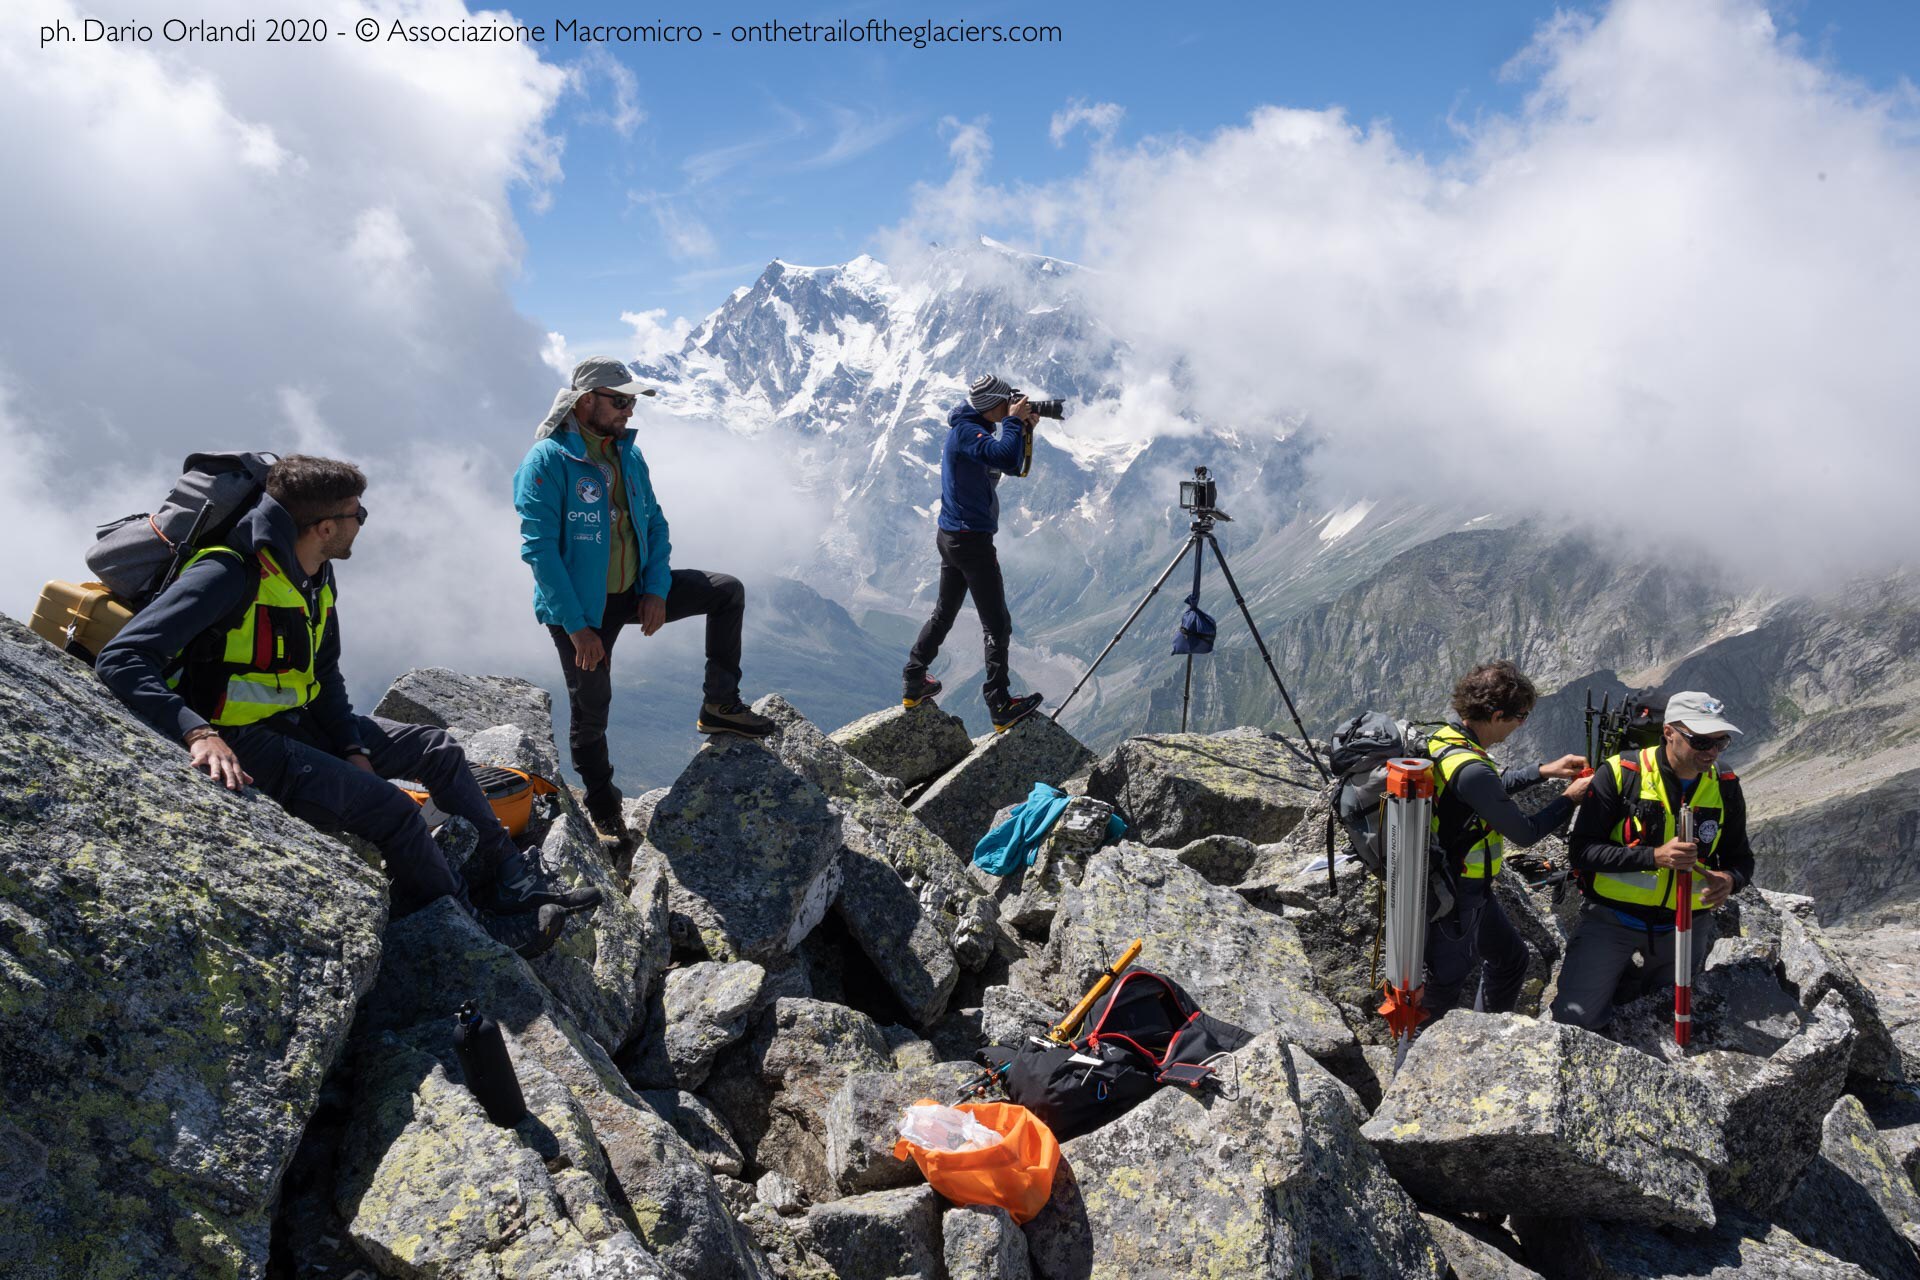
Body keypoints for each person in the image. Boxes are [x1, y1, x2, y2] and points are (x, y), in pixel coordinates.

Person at [96, 455, 597, 957]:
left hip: (298, 721)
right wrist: (198, 732)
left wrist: (353, 745)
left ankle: (511, 878)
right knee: (394, 811)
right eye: (359, 514)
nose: (363, 522)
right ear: (326, 526)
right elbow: (122, 658)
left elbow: (324, 673)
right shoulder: (227, 574)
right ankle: (472, 934)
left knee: (437, 747)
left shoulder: (311, 572)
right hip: (241, 741)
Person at [515, 357, 775, 848]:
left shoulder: (628, 455)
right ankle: (604, 809)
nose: (629, 410)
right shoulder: (547, 461)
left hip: (633, 590)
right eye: (621, 400)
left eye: (632, 401)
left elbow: (653, 524)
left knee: (725, 591)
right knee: (592, 708)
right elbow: (540, 551)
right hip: (581, 610)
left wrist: (655, 590)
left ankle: (720, 704)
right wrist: (577, 628)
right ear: (585, 400)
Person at [1551, 690, 1753, 1031]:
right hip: (1612, 918)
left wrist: (1731, 881)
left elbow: (1740, 857)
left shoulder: (1725, 784)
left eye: (1722, 743)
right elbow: (1582, 853)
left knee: (1669, 1023)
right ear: (1670, 732)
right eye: (1702, 742)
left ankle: (1628, 984)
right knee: (1574, 1023)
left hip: (1686, 925)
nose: (1713, 752)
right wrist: (1654, 856)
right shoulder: (1620, 773)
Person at [1420, 660, 1593, 1021]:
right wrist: (1570, 798)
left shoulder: (1447, 741)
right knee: (1440, 993)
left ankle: (1488, 1033)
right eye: (1522, 716)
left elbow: (1489, 788)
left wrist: (1546, 770)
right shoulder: (1472, 769)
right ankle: (1414, 1069)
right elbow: (1525, 833)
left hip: (1466, 886)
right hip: (1456, 893)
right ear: (1499, 715)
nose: (1522, 724)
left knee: (1512, 959)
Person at [900, 373, 1046, 731]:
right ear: (993, 405)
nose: (1009, 407)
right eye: (1005, 403)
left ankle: (914, 680)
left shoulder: (971, 428)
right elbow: (1000, 452)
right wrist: (1013, 421)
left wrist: (1022, 428)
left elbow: (1009, 464)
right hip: (971, 543)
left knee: (944, 612)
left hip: (952, 536)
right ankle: (1000, 704)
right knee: (997, 624)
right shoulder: (969, 434)